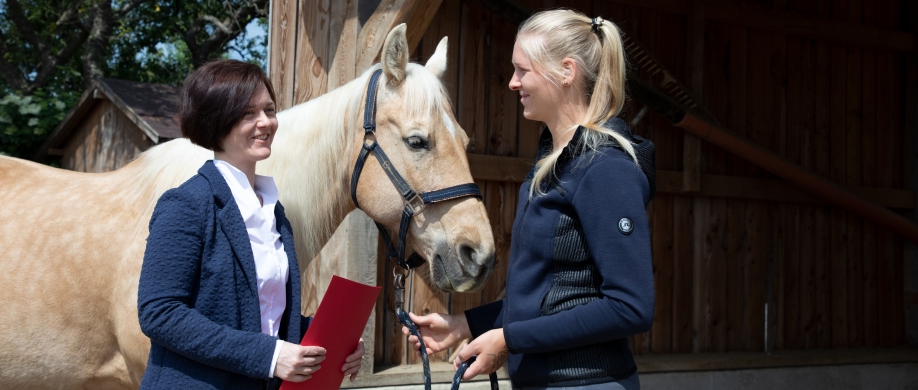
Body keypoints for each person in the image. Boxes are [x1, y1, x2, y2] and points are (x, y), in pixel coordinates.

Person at [404, 10, 654, 390]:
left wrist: (508, 339)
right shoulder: (552, 163)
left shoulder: (606, 169)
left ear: (566, 71)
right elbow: (547, 297)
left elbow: (630, 307)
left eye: (523, 70)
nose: (512, 82)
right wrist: (465, 325)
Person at [137, 60, 364, 390]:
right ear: (216, 121)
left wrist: (330, 342)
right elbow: (159, 312)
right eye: (247, 113)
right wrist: (270, 357)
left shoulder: (274, 210)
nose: (266, 122)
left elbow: (263, 315)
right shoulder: (186, 204)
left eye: (269, 110)